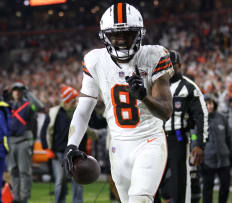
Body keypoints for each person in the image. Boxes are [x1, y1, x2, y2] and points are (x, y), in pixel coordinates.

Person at [64, 3, 174, 203]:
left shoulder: (155, 55)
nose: (121, 40)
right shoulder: (94, 60)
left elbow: (166, 111)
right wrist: (71, 145)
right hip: (118, 146)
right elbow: (83, 110)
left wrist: (143, 96)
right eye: (115, 35)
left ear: (140, 33)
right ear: (104, 36)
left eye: (128, 34)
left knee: (139, 199)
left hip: (149, 141)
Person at [156, 50, 208, 203]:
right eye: (165, 66)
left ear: (180, 65)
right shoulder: (154, 84)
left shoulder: (189, 88)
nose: (169, 70)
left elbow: (201, 116)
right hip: (155, 138)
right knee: (150, 179)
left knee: (179, 181)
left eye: (171, 66)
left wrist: (200, 144)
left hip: (177, 138)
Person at [40, 85, 84, 203]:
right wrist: (46, 148)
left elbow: (84, 130)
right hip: (58, 151)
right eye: (74, 98)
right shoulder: (54, 112)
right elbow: (44, 131)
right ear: (69, 99)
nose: (76, 101)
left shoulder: (79, 112)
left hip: (76, 152)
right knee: (60, 180)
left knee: (78, 180)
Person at [201, 95, 232, 203]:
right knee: (207, 189)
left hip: (224, 160)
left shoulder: (222, 118)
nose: (209, 106)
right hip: (207, 161)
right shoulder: (200, 119)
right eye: (206, 104)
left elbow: (230, 138)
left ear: (214, 104)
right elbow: (195, 139)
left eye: (211, 103)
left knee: (225, 187)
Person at [7, 82, 37, 203]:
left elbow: (38, 106)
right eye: (15, 90)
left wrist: (29, 93)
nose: (17, 92)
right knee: (13, 171)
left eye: (19, 90)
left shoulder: (29, 105)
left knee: (24, 171)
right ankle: (16, 197)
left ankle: (24, 197)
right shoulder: (7, 105)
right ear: (12, 92)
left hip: (23, 141)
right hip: (11, 141)